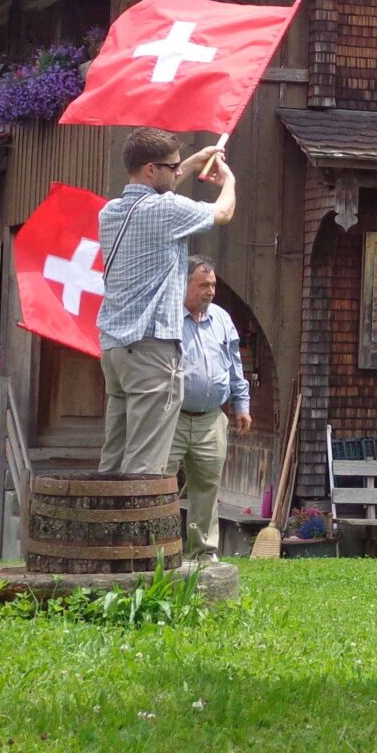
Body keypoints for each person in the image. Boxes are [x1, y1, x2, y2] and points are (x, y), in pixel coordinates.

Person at [97, 127, 236, 476]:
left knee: (115, 453)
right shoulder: (166, 210)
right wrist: (229, 181)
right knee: (146, 461)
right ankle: (133, 528)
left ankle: (102, 525)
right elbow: (223, 214)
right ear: (150, 169)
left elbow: (154, 192)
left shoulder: (110, 213)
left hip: (114, 350)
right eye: (171, 167)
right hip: (150, 350)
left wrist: (189, 163)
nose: (177, 172)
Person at [169, 255, 251, 561]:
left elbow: (235, 365)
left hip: (211, 419)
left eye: (213, 285)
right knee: (161, 483)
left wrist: (241, 404)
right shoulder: (168, 317)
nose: (210, 291)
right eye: (204, 285)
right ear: (185, 283)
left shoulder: (222, 319)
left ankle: (202, 553)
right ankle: (160, 549)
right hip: (172, 417)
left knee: (207, 487)